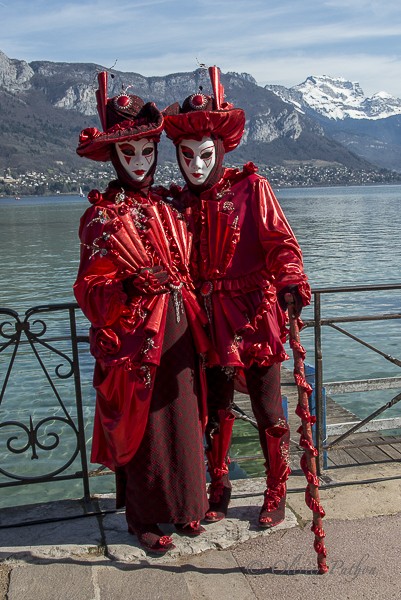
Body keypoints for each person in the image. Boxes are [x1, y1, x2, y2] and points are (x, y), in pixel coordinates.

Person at [163, 66, 311, 528]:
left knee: (268, 408)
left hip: (254, 315)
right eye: (187, 157)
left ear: (221, 150)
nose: (197, 166)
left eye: (205, 155)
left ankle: (276, 486)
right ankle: (219, 485)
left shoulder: (253, 188)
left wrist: (290, 283)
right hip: (207, 322)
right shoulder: (179, 204)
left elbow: (282, 244)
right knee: (217, 408)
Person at [73, 72, 210, 554]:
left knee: (184, 413)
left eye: (147, 152)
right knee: (149, 425)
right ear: (112, 156)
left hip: (182, 325)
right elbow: (89, 289)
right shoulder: (102, 217)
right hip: (135, 337)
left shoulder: (169, 207)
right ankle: (146, 517)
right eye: (128, 153)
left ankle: (188, 505)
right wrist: (126, 284)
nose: (139, 162)